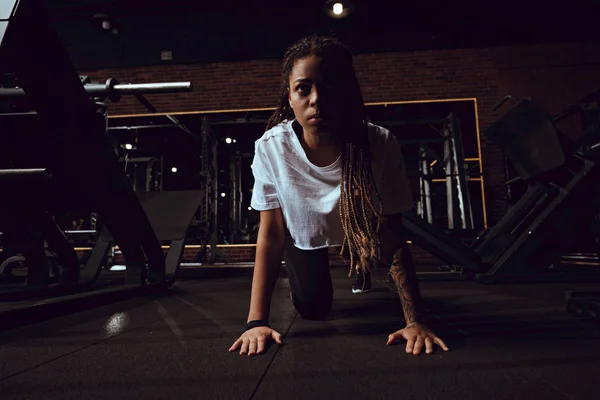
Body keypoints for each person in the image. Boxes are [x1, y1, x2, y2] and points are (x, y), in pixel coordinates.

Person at [229, 35, 449, 357]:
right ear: (289, 97)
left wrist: (414, 320)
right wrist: (255, 322)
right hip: (301, 231)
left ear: (346, 93)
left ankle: (356, 259)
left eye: (329, 87)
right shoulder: (271, 149)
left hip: (359, 225)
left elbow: (392, 232)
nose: (316, 99)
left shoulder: (379, 144)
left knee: (369, 244)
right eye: (303, 88)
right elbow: (272, 233)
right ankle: (322, 266)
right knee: (313, 308)